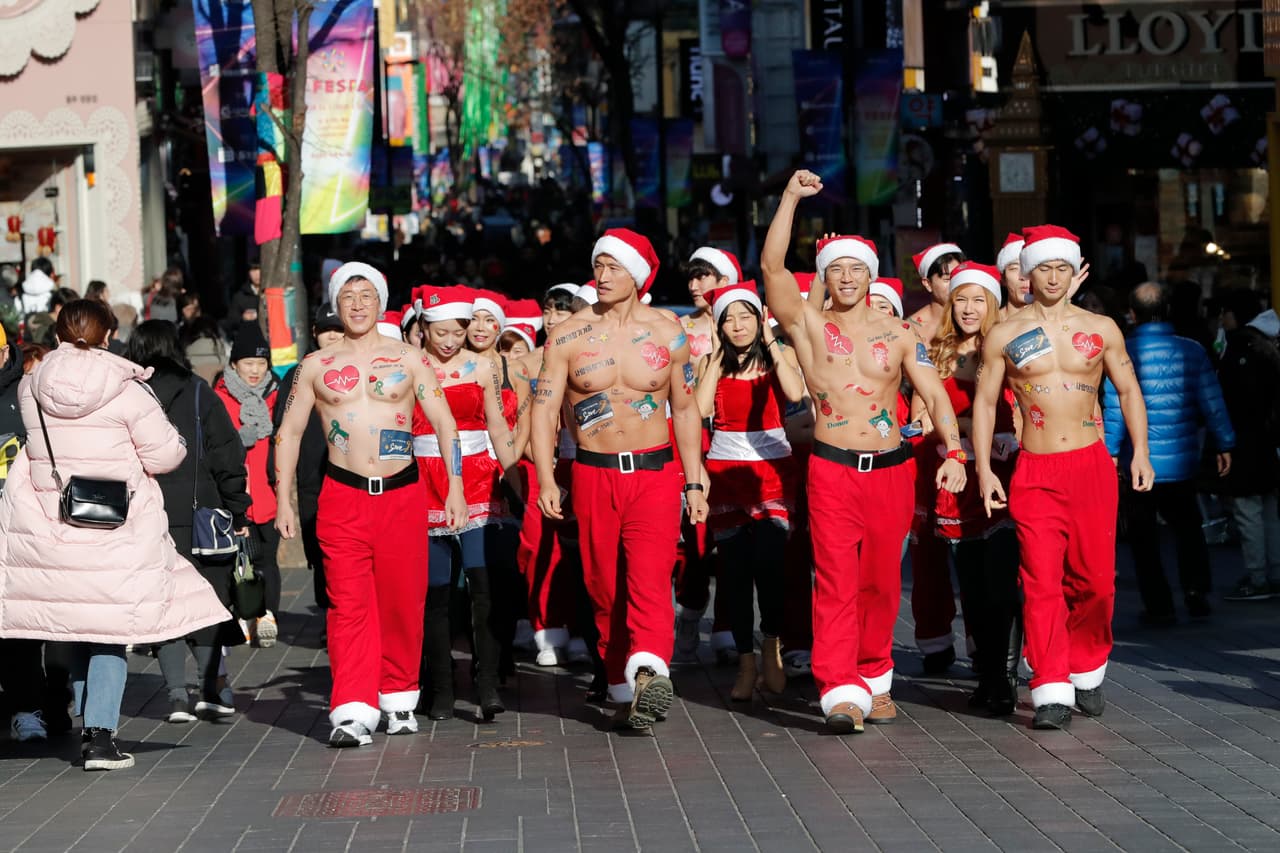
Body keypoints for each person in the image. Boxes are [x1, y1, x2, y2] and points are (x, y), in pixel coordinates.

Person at [760, 171, 966, 734]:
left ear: (870, 278)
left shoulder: (900, 333)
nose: (846, 278)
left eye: (856, 269)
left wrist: (954, 452)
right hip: (832, 468)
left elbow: (934, 395)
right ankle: (838, 686)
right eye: (836, 270)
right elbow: (773, 270)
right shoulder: (807, 325)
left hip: (892, 472)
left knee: (879, 580)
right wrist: (790, 201)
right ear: (825, 277)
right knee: (833, 577)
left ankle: (874, 675)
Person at [0, 300, 229, 769]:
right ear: (107, 336)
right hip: (116, 524)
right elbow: (165, 456)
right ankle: (101, 738)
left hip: (54, 520)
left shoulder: (31, 387)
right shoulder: (127, 390)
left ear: (60, 335)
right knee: (109, 631)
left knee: (81, 625)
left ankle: (88, 723)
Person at [275, 262, 466, 747]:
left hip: (402, 494)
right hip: (343, 496)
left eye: (366, 296)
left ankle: (399, 695)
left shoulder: (410, 359)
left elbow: (445, 425)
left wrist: (456, 487)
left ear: (380, 302)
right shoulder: (315, 366)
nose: (357, 305)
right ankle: (352, 708)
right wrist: (284, 500)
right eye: (348, 297)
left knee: (403, 600)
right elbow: (289, 433)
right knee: (348, 605)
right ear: (336, 306)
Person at [974, 225, 1153, 730]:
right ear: (1027, 273)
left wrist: (1140, 451)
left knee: (1096, 582)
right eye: (1043, 268)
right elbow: (986, 402)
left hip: (1091, 465)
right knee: (1040, 580)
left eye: (1061, 268)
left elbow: (1129, 390)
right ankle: (1051, 686)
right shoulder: (1004, 334)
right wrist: (985, 467)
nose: (1052, 277)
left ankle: (1087, 667)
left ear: (1075, 272)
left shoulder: (1102, 328)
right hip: (1035, 468)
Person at [533, 228, 708, 731]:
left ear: (636, 274)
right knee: (602, 586)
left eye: (614, 267)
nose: (603, 275)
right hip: (593, 473)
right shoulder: (568, 334)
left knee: (651, 578)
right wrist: (547, 477)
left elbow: (687, 407)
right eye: (599, 265)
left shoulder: (666, 330)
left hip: (655, 472)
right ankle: (619, 678)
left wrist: (694, 480)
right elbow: (544, 410)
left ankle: (650, 667)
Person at [126, 321, 252, 723]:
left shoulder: (126, 396)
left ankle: (177, 696)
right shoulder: (200, 392)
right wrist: (238, 508)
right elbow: (227, 456)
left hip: (147, 518)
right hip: (203, 518)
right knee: (208, 604)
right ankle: (211, 686)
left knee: (164, 605)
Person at [913, 263, 1023, 715]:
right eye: (961, 299)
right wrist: (965, 434)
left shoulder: (1011, 345)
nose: (969, 308)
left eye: (980, 299)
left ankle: (1006, 674)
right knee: (973, 586)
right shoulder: (934, 351)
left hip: (1006, 476)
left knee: (1003, 582)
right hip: (956, 478)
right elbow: (923, 418)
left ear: (993, 303)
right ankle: (992, 674)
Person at [412, 285, 520, 723]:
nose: (450, 340)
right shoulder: (409, 366)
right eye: (440, 331)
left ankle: (488, 682)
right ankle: (440, 687)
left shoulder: (482, 367)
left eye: (458, 331)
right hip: (422, 479)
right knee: (436, 592)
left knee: (483, 586)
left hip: (476, 478)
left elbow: (497, 425)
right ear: (423, 329)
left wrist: (515, 480)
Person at [695, 281, 804, 700]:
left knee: (771, 567)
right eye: (729, 318)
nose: (737, 325)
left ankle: (772, 648)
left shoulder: (781, 356)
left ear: (759, 319)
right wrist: (717, 357)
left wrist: (772, 342)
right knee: (734, 575)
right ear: (719, 325)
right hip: (726, 475)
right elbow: (702, 409)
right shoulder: (712, 361)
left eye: (746, 316)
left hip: (773, 473)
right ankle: (745, 662)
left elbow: (795, 394)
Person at [1102, 282, 1234, 624]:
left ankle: (1158, 602)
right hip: (1182, 460)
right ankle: (1196, 590)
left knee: (1144, 535)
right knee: (1188, 526)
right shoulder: (1191, 350)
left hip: (1137, 460)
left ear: (1133, 313)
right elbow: (1212, 401)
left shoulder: (1121, 351)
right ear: (1167, 310)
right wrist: (1224, 442)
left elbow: (1114, 408)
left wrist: (1111, 451)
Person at [904, 243, 969, 673]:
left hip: (972, 445)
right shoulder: (908, 328)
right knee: (927, 548)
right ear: (927, 282)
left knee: (977, 551)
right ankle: (934, 640)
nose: (952, 282)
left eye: (958, 273)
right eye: (944, 275)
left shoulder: (979, 318)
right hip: (923, 446)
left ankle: (989, 643)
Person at [271, 303, 345, 610]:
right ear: (314, 333)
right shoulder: (298, 374)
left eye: (337, 329)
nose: (332, 336)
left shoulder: (360, 367)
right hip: (311, 476)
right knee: (319, 548)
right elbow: (283, 430)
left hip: (350, 474)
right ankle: (328, 615)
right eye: (326, 329)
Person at [215, 323, 282, 647]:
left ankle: (267, 615)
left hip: (269, 494)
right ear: (234, 365)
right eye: (248, 364)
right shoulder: (219, 398)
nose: (255, 370)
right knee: (237, 561)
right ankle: (242, 615)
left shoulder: (277, 396)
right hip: (235, 496)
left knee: (267, 559)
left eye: (261, 363)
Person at [1216, 293, 1280, 600]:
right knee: (1270, 509)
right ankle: (1276, 572)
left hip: (1246, 440)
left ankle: (1257, 578)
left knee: (1248, 509)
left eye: (1225, 312)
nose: (1221, 319)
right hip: (1270, 441)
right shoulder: (1269, 342)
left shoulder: (1242, 346)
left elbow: (1235, 399)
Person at [224, 260, 261, 336]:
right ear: (248, 273)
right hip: (249, 337)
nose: (257, 274)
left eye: (259, 269)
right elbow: (231, 322)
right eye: (253, 270)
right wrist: (243, 318)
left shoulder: (271, 293)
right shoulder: (240, 296)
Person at [996, 233, 1029, 318]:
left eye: (1029, 268)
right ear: (1003, 278)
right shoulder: (990, 323)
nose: (1024, 276)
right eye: (1014, 268)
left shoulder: (1055, 323)